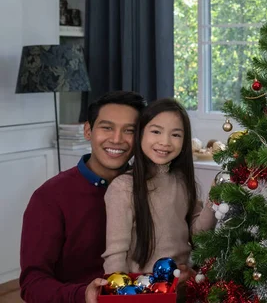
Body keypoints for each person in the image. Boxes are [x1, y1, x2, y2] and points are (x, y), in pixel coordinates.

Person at [20, 91, 147, 303]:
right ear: (88, 130)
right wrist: (83, 295)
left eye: (129, 131)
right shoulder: (49, 198)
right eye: (107, 127)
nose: (117, 139)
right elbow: (32, 283)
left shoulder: (149, 189)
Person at [102, 98, 216, 274]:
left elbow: (198, 234)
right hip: (145, 289)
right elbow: (115, 257)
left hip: (184, 280)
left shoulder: (182, 181)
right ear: (141, 134)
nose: (165, 142)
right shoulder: (123, 187)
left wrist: (214, 200)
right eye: (156, 131)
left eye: (176, 135)